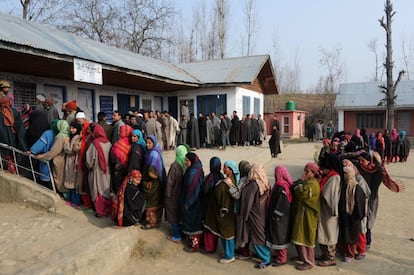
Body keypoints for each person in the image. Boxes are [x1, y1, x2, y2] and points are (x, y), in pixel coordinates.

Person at [203, 160, 238, 264]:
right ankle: (229, 253)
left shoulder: (228, 182)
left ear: (231, 170)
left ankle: (229, 255)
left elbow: (230, 197)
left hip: (226, 213)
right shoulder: (228, 180)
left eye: (226, 167)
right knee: (226, 234)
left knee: (227, 234)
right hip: (227, 212)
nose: (224, 169)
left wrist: (223, 211)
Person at [239, 163, 271, 269]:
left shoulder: (253, 184)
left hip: (254, 214)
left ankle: (266, 259)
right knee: (261, 234)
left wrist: (244, 215)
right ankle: (265, 256)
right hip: (262, 213)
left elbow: (247, 201)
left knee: (257, 237)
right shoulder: (265, 181)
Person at [291, 162, 320, 271]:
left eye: (307, 171)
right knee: (299, 236)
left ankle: (309, 261)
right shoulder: (308, 182)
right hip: (302, 214)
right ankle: (302, 257)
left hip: (308, 216)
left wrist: (300, 183)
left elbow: (302, 193)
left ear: (313, 173)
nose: (304, 173)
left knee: (307, 238)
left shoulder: (313, 184)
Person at [317, 154, 342, 267]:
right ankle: (324, 254)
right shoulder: (328, 175)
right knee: (322, 233)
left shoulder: (335, 177)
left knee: (329, 234)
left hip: (329, 211)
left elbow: (328, 194)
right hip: (323, 209)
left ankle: (330, 257)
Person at [266, 165, 293, 266]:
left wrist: (276, 215)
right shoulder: (282, 184)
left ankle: (282, 258)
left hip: (280, 218)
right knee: (277, 237)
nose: (274, 174)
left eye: (276, 172)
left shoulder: (281, 186)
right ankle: (278, 255)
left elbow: (283, 204)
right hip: (280, 217)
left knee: (279, 237)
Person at [35, 120, 70, 198]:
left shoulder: (59, 136)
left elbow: (53, 151)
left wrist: (42, 156)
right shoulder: (68, 134)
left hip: (59, 160)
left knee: (59, 179)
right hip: (67, 160)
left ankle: (64, 196)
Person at [338, 166, 366, 262]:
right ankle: (344, 252)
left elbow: (360, 205)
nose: (344, 175)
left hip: (353, 218)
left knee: (351, 236)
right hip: (344, 216)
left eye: (346, 173)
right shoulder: (344, 185)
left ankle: (350, 254)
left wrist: (356, 217)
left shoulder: (357, 188)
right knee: (344, 235)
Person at [85, 123, 112, 218]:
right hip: (107, 172)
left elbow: (89, 161)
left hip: (96, 171)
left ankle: (100, 211)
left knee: (97, 190)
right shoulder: (108, 143)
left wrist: (90, 168)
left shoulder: (94, 144)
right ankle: (108, 209)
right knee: (106, 190)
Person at [181, 152, 204, 252]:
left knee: (194, 223)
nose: (185, 162)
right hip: (194, 201)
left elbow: (193, 189)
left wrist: (188, 203)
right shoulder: (195, 169)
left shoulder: (194, 173)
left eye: (187, 160)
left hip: (194, 202)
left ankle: (195, 245)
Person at [141, 135, 166, 229]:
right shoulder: (152, 152)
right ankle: (156, 221)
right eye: (146, 142)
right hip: (154, 184)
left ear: (154, 143)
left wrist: (151, 177)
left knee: (152, 203)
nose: (147, 145)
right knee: (156, 202)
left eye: (149, 143)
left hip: (153, 184)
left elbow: (153, 173)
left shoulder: (153, 154)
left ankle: (151, 222)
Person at [165, 145, 188, 243]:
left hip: (173, 195)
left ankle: (176, 235)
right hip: (181, 195)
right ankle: (180, 232)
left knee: (172, 215)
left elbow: (170, 182)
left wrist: (167, 194)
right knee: (178, 215)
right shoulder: (185, 164)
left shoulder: (175, 166)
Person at [202, 157, 224, 253]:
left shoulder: (211, 176)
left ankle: (209, 247)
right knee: (215, 226)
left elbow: (206, 189)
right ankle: (214, 246)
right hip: (218, 204)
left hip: (209, 203)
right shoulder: (221, 175)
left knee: (208, 226)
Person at [63, 121, 83, 207]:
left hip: (73, 162)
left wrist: (66, 143)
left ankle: (75, 202)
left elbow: (70, 150)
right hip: (72, 161)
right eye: (70, 128)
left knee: (73, 181)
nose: (71, 130)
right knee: (72, 180)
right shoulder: (75, 137)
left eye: (73, 128)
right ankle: (73, 200)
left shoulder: (76, 138)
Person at [109, 124, 133, 194]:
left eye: (120, 131)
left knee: (118, 188)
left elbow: (112, 158)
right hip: (127, 169)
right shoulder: (131, 143)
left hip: (118, 169)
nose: (119, 133)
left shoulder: (119, 143)